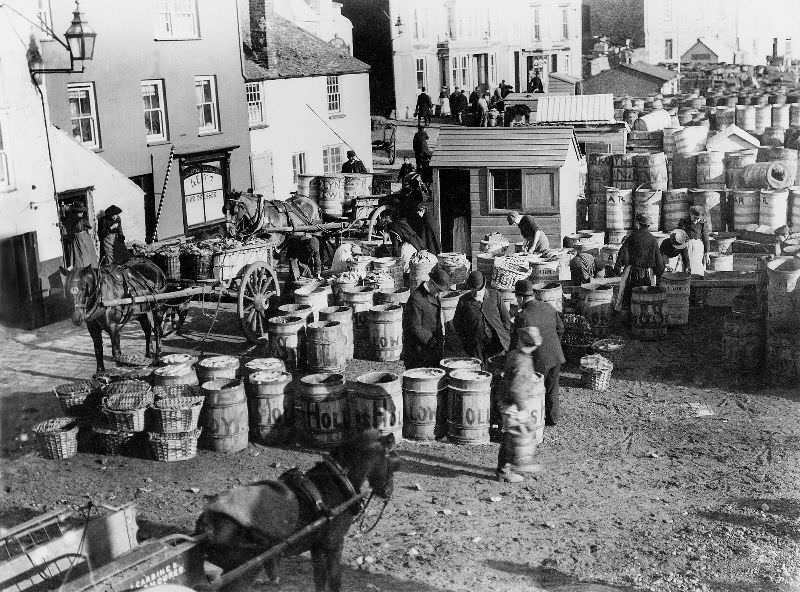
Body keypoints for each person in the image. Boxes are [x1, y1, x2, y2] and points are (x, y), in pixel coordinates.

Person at [495, 325, 545, 483]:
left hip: (506, 399)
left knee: (510, 435)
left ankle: (505, 467)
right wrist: (523, 412)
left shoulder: (514, 354)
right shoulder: (523, 362)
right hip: (513, 403)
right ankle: (506, 470)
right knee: (515, 436)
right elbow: (517, 389)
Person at [513, 279, 565, 427]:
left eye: (517, 298)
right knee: (552, 387)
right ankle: (553, 418)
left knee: (534, 391)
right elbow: (560, 328)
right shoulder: (548, 307)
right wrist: (554, 343)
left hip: (537, 359)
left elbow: (516, 342)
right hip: (555, 355)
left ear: (522, 297)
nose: (517, 301)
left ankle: (534, 419)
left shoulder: (522, 316)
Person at [453, 271, 511, 366]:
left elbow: (505, 317)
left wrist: (505, 333)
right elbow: (457, 324)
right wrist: (466, 342)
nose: (475, 292)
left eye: (478, 290)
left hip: (496, 342)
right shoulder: (463, 300)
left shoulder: (495, 295)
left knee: (497, 368)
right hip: (476, 345)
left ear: (483, 287)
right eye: (473, 290)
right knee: (479, 370)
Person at [402, 267, 451, 369]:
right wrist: (431, 340)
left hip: (432, 349)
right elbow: (414, 327)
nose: (439, 293)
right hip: (419, 352)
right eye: (438, 290)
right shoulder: (416, 299)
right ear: (431, 283)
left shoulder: (433, 294)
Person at [615, 213, 665, 311]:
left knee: (628, 294)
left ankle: (627, 316)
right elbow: (658, 258)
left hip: (631, 272)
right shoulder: (653, 240)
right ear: (649, 225)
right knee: (646, 297)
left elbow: (622, 251)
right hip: (647, 273)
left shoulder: (632, 237)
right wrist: (660, 271)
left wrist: (617, 267)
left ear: (638, 224)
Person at [62, 203, 98, 269]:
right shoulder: (72, 220)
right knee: (79, 258)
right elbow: (69, 231)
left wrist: (87, 231)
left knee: (89, 255)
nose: (81, 214)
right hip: (77, 240)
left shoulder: (82, 220)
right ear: (76, 212)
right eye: (80, 212)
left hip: (86, 240)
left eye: (82, 212)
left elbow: (88, 227)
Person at [678, 205, 711, 275]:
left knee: (697, 265)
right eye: (695, 218)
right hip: (686, 246)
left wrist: (707, 253)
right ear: (690, 214)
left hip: (698, 247)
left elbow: (706, 239)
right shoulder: (684, 221)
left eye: (698, 218)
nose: (696, 220)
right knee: (686, 264)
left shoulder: (703, 223)